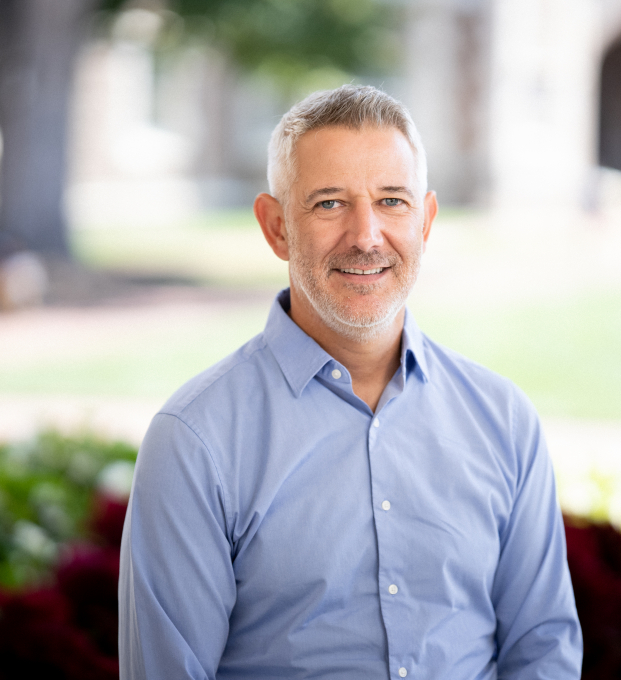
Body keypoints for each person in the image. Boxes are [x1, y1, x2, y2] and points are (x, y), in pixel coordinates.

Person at [119, 85, 582, 679]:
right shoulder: (196, 439)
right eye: (330, 203)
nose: (366, 236)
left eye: (392, 201)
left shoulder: (504, 419)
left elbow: (543, 650)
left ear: (426, 220)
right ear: (277, 227)